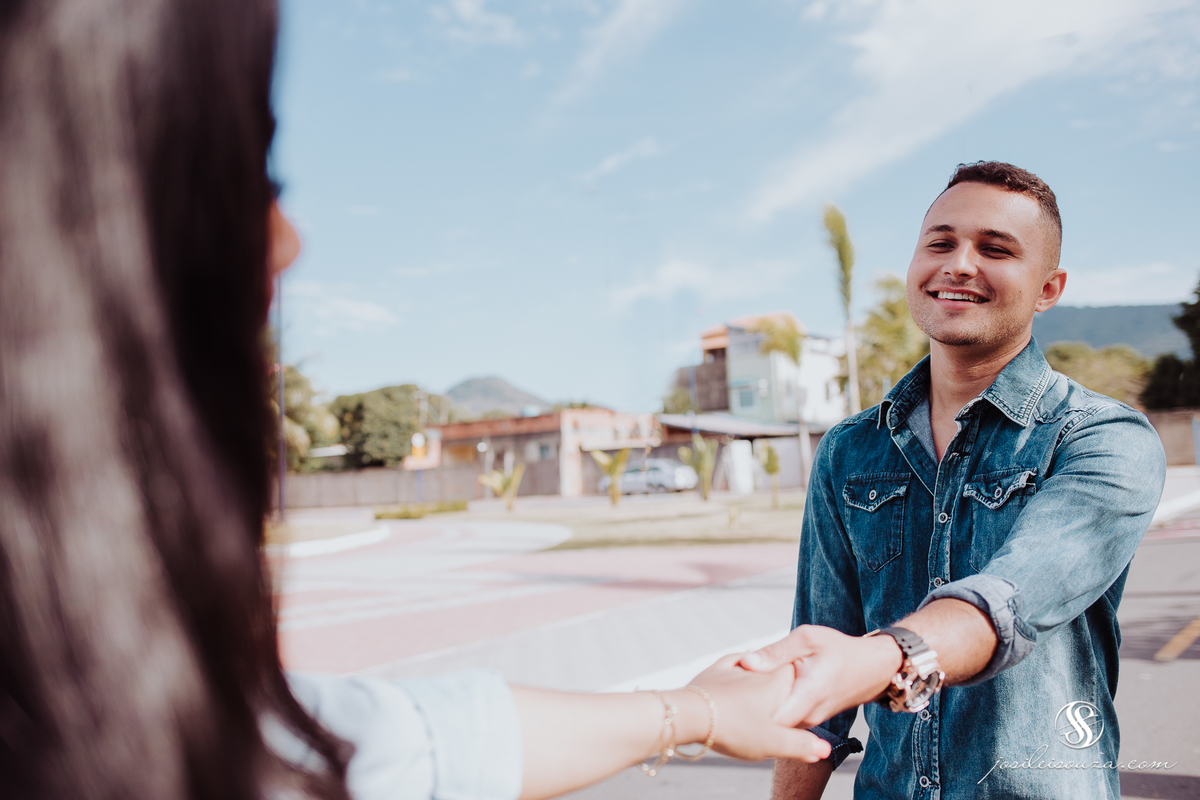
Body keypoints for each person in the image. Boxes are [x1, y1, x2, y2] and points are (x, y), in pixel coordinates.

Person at [0, 2, 829, 799]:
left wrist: (701, 711)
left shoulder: (111, 701)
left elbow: (410, 744)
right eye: (242, 170)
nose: (289, 242)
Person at [743, 162, 1167, 799]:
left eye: (996, 249)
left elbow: (1013, 598)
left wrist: (887, 655)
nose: (960, 264)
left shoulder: (1103, 440)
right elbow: (818, 694)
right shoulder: (848, 451)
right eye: (939, 243)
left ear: (1048, 289)